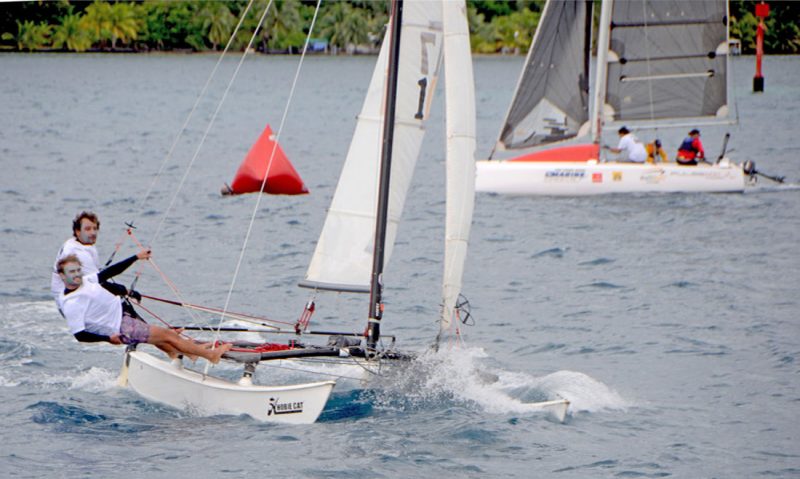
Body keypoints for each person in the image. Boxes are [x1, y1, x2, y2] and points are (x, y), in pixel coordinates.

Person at [57, 251, 231, 363]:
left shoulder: (86, 280)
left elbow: (110, 272)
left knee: (165, 337)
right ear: (62, 276)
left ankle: (191, 352)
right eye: (71, 272)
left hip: (124, 316)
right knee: (168, 335)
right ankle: (210, 355)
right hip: (121, 327)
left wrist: (135, 257)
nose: (77, 275)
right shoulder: (72, 302)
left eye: (78, 270)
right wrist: (108, 338)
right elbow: (79, 335)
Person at [51, 211, 102, 309]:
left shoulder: (84, 243)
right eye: (87, 229)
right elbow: (98, 280)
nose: (93, 232)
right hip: (68, 301)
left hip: (77, 292)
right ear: (78, 231)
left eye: (95, 229)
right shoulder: (75, 251)